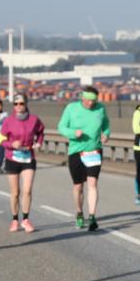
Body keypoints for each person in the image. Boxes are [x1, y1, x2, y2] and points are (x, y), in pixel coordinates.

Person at [57, 86, 111, 231]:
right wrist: (73, 133)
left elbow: (106, 124)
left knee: (93, 183)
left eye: (94, 100)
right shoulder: (71, 108)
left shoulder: (100, 108)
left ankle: (92, 217)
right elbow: (61, 127)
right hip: (76, 151)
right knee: (78, 186)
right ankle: (80, 213)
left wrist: (106, 134)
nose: (91, 103)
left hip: (94, 151)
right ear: (83, 97)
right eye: (88, 100)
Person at [0, 94, 44, 233]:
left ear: (26, 104)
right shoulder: (8, 121)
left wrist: (39, 143)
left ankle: (25, 219)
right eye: (16, 104)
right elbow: (1, 140)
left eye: (21, 103)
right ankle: (14, 220)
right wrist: (11, 144)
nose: (18, 106)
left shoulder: (34, 120)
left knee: (27, 190)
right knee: (15, 193)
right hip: (12, 158)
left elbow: (41, 132)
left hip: (28, 158)